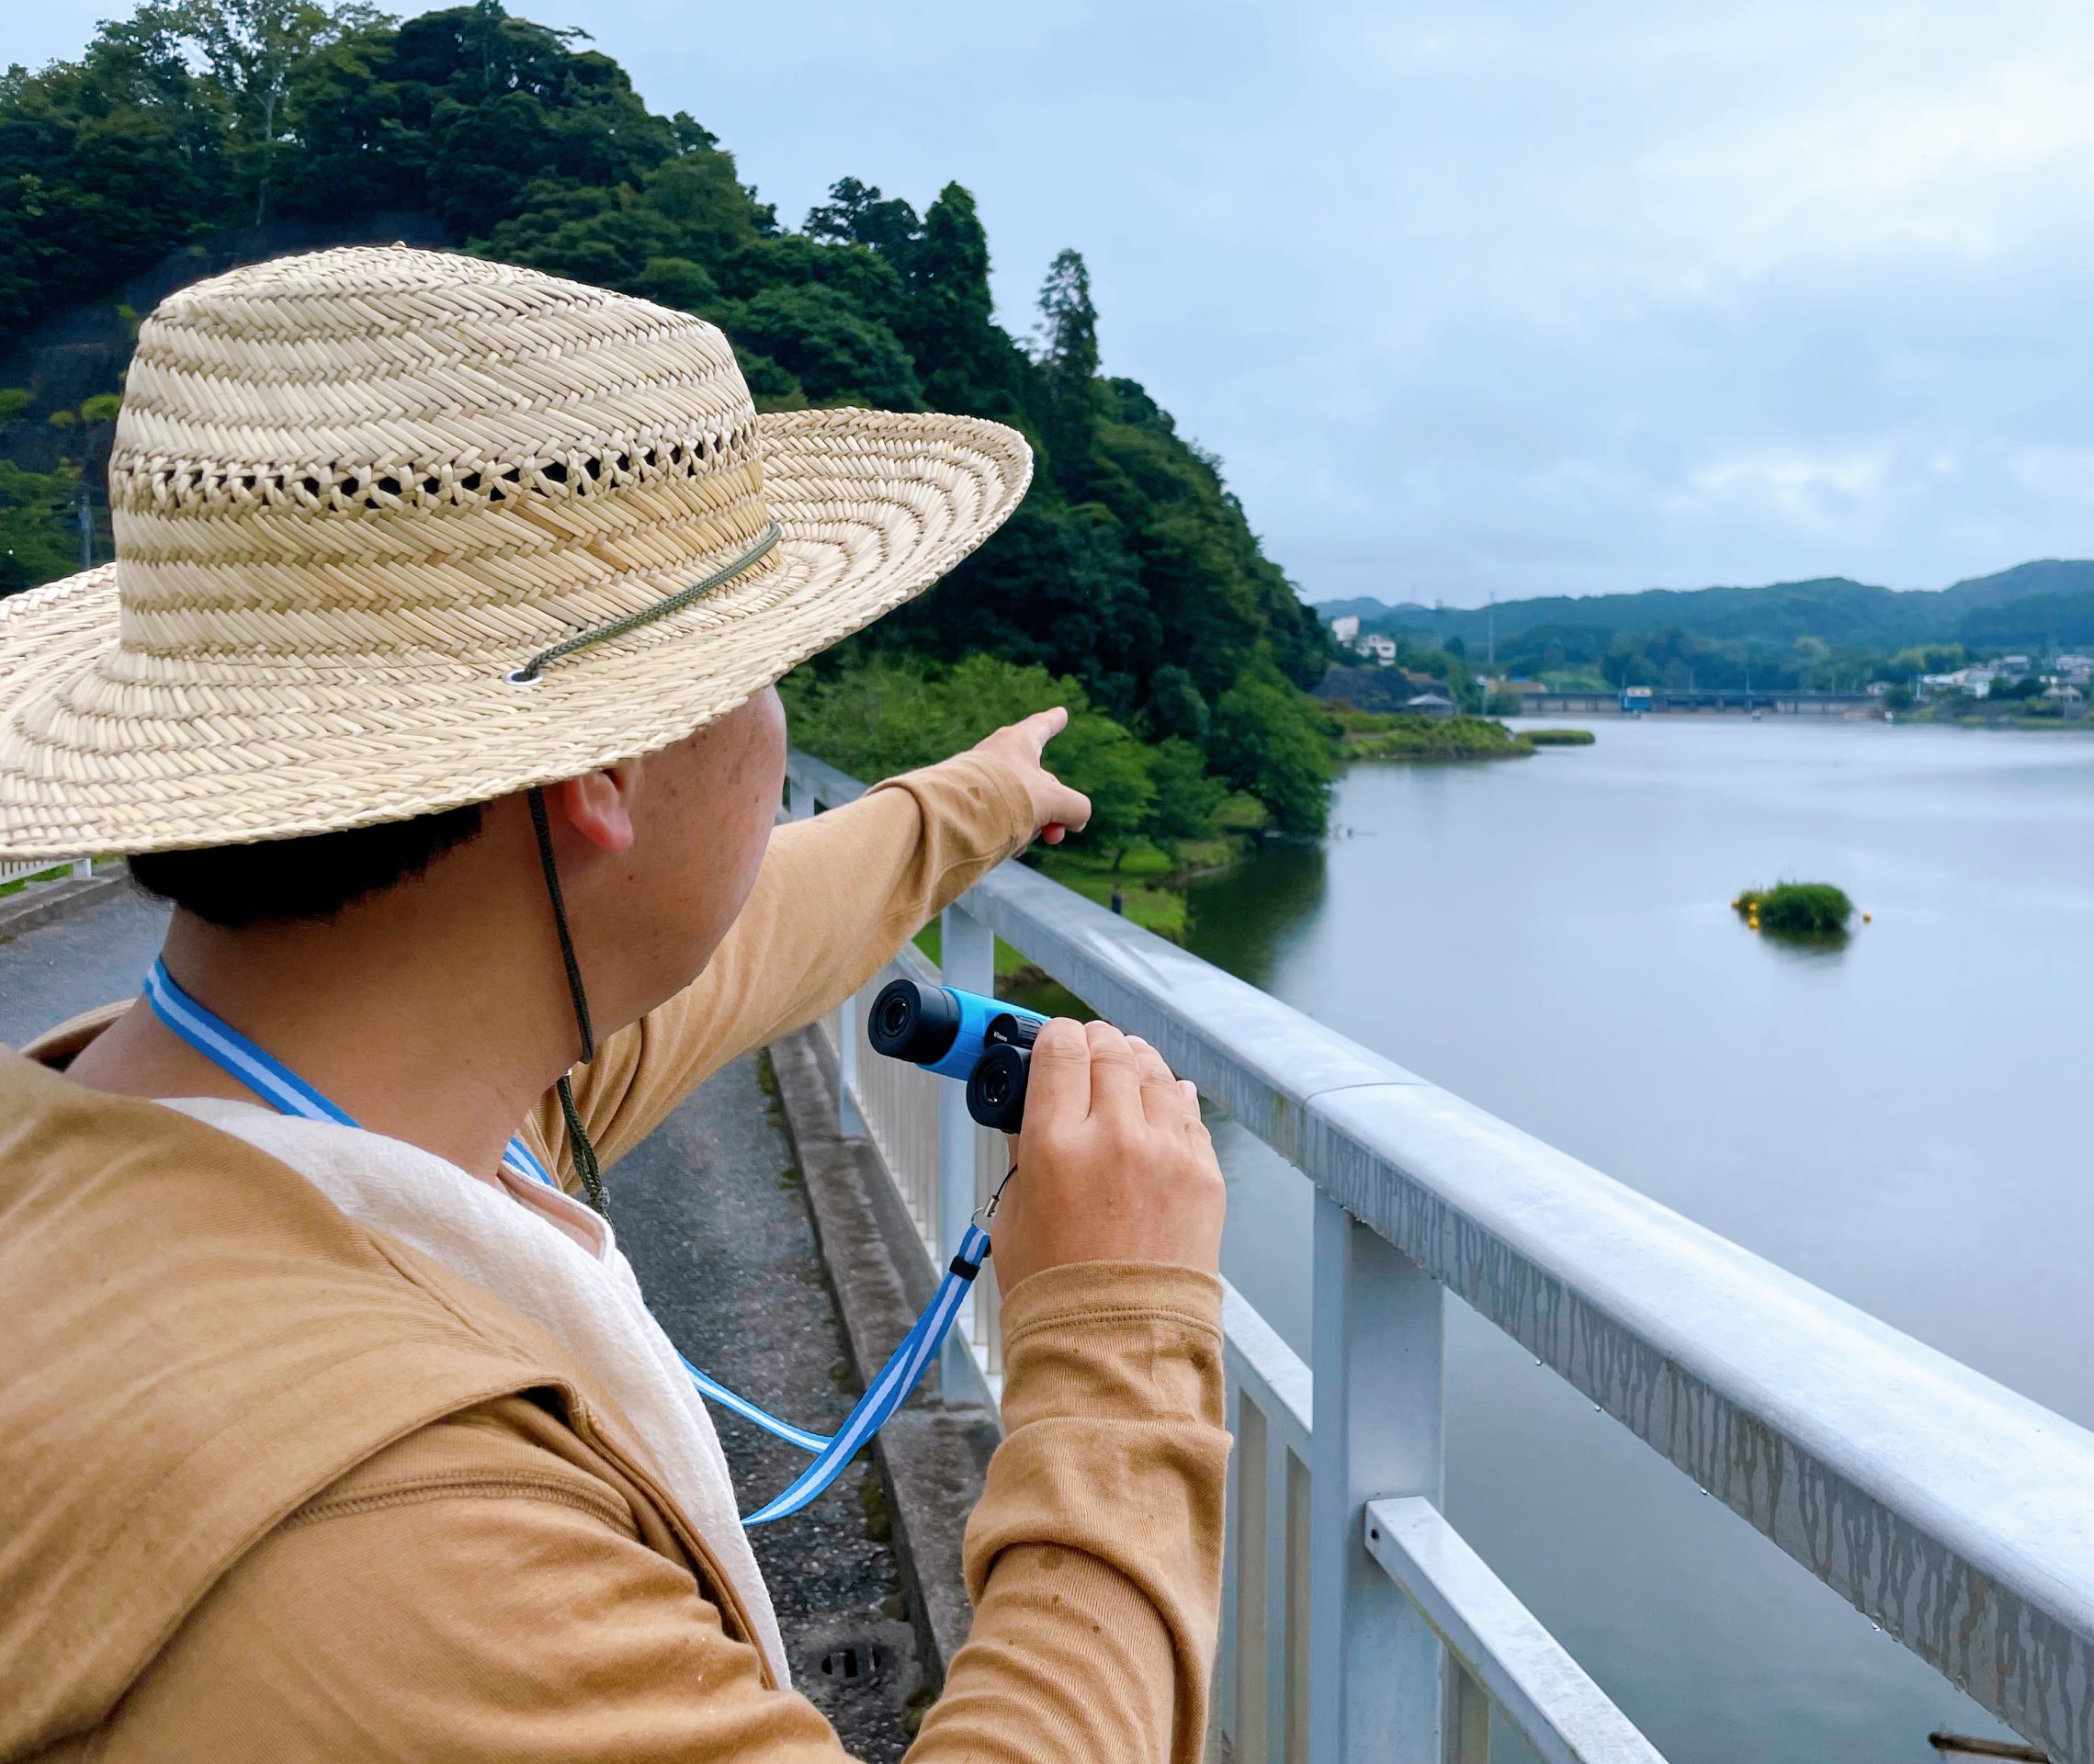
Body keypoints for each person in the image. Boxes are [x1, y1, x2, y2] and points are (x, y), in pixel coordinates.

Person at [0, 248, 1228, 1762]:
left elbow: (739, 936)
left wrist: (972, 800)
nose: (784, 744)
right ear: (602, 777)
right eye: (770, 672)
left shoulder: (157, 1130)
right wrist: (1119, 1335)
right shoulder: (407, 1540)